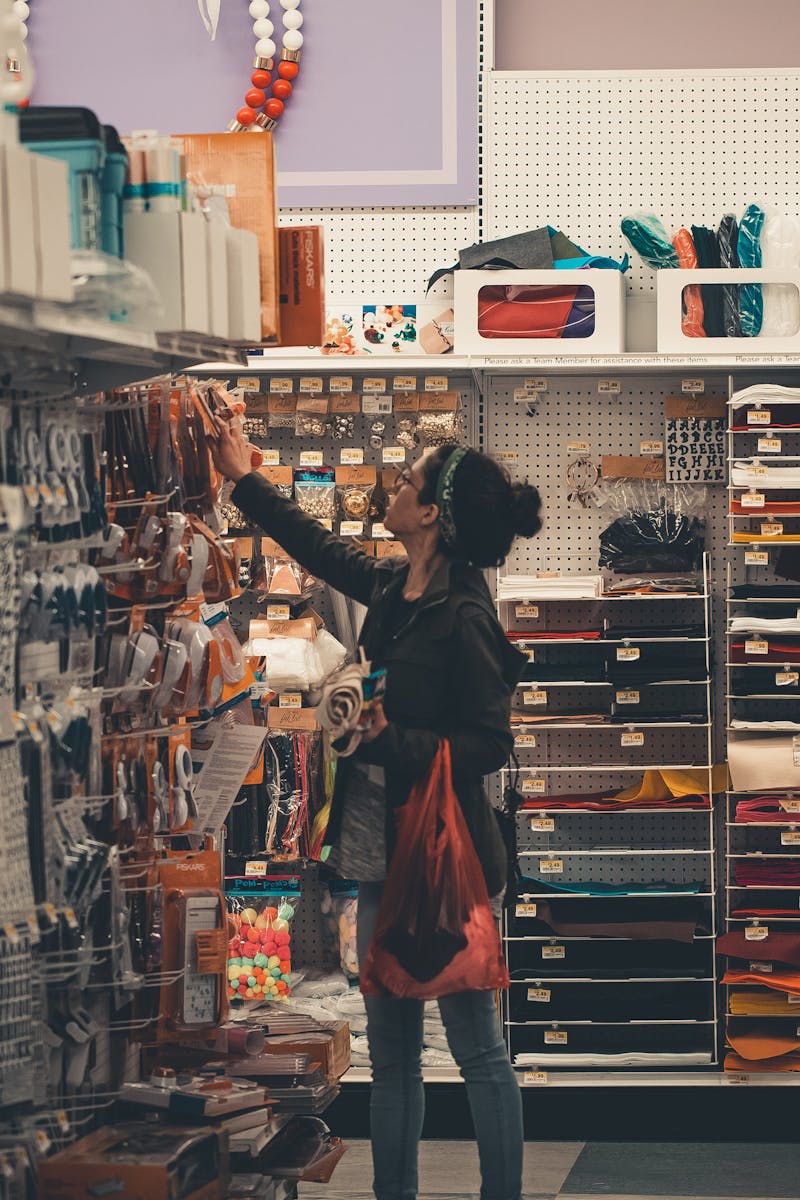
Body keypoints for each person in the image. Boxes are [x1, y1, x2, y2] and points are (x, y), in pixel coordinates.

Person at [210, 420, 542, 1200]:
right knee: (390, 1056)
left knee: (477, 1050)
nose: (393, 489)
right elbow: (325, 553)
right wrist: (243, 478)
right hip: (375, 853)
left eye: (406, 483)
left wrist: (393, 738)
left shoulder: (464, 615)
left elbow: (490, 743)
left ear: (431, 515)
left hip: (449, 860)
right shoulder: (399, 589)